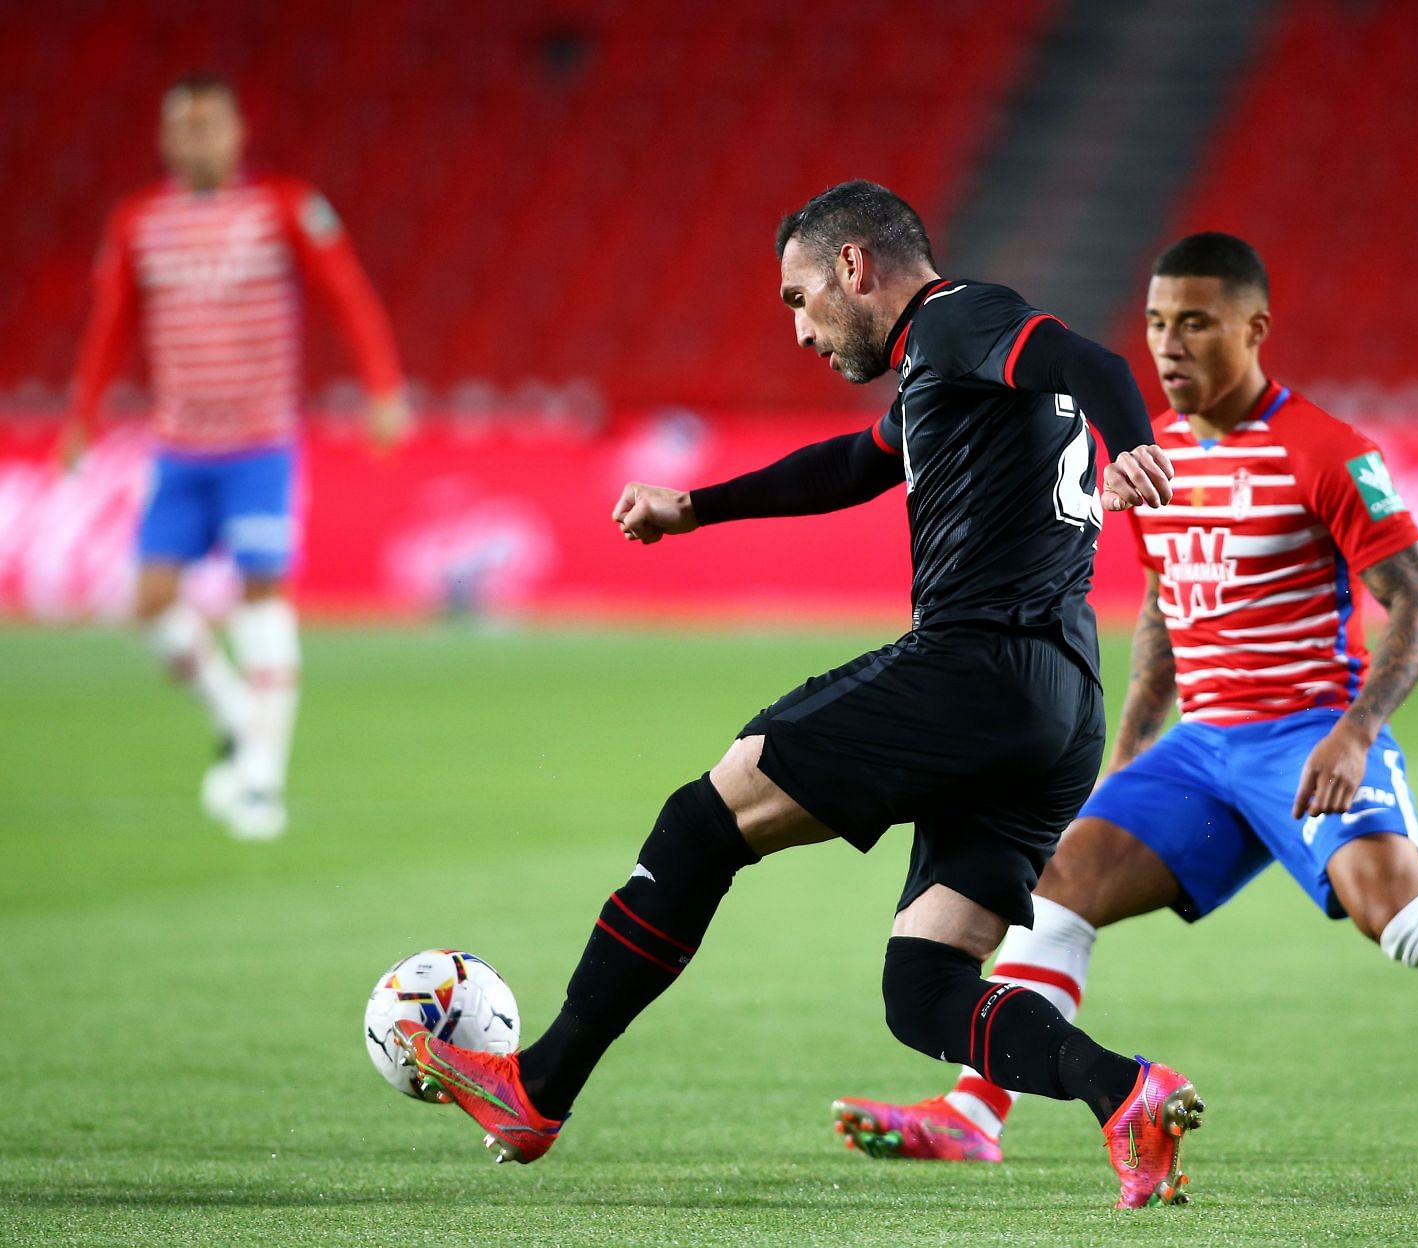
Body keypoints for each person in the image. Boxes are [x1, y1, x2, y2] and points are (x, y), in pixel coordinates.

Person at [391, 180, 1206, 1208]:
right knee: (924, 989)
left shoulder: (957, 317)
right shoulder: (947, 373)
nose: (798, 328)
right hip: (1060, 704)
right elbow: (855, 466)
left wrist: (1135, 439)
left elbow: (1093, 362)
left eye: (797, 296)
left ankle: (538, 1087)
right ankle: (1123, 1093)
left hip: (975, 668)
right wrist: (695, 506)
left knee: (700, 822)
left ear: (854, 267)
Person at [831, 232, 1418, 1167]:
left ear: (1256, 329)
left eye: (1196, 324)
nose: (1169, 346)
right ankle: (976, 1114)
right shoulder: (1151, 449)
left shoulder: (1324, 448)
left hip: (1308, 734)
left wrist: (1359, 732)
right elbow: (1169, 604)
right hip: (1203, 751)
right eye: (1159, 323)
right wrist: (1127, 750)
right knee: (1058, 886)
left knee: (1406, 920)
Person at [64, 72, 409, 840]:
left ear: (236, 131)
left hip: (259, 445)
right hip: (180, 447)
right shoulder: (138, 221)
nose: (197, 138)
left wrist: (383, 386)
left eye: (209, 123)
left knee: (263, 595)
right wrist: (82, 414)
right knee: (149, 599)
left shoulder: (282, 207)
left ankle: (260, 778)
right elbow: (110, 323)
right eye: (182, 126)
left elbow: (346, 292)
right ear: (165, 139)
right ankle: (232, 717)